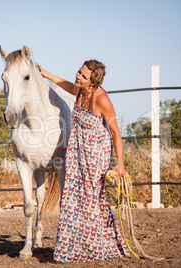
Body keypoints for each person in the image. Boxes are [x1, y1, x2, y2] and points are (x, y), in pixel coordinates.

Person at [39, 60, 130, 263]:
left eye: (83, 75)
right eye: (79, 72)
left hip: (96, 153)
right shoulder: (80, 90)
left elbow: (115, 131)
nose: (78, 76)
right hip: (77, 151)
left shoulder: (102, 98)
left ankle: (93, 246)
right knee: (72, 196)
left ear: (93, 81)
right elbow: (67, 85)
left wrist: (120, 163)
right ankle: (73, 246)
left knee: (89, 197)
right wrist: (47, 74)